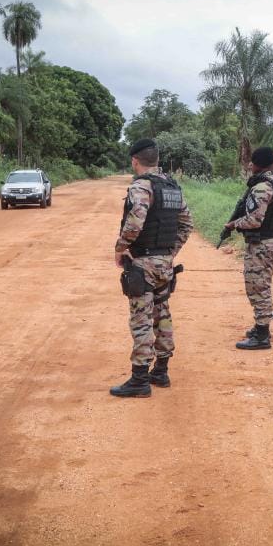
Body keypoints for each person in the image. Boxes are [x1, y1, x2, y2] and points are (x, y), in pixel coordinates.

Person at [110, 138, 193, 398]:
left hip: (142, 263)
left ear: (135, 161)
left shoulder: (141, 187)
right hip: (164, 263)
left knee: (141, 319)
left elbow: (135, 222)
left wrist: (121, 247)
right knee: (162, 314)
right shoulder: (172, 187)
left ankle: (139, 380)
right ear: (156, 160)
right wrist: (170, 253)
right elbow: (186, 224)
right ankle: (161, 371)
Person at [224, 146, 273, 350]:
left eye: (252, 162)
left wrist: (234, 224)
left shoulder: (262, 186)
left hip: (262, 245)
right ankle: (260, 326)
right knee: (263, 286)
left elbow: (254, 220)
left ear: (258, 164)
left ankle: (262, 335)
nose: (250, 165)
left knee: (257, 288)